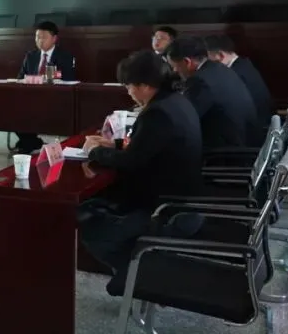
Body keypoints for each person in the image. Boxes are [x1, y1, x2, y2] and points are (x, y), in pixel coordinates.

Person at [79, 50, 204, 295]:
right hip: (183, 198)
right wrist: (112, 144)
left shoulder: (157, 113)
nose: (128, 92)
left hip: (164, 208)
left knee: (91, 227)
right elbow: (149, 147)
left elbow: (131, 161)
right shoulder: (175, 100)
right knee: (98, 204)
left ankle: (140, 273)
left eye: (129, 86)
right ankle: (138, 267)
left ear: (145, 86)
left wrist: (94, 152)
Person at [164, 37, 260, 148]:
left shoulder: (200, 81)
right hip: (246, 142)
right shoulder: (219, 68)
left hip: (225, 151)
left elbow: (183, 120)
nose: (175, 71)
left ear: (187, 62)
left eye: (174, 66)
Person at [13, 22, 77, 154]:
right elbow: (20, 78)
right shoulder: (30, 56)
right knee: (12, 109)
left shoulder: (65, 56)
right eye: (37, 37)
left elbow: (69, 79)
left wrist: (52, 76)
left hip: (54, 99)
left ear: (54, 39)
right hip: (30, 98)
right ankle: (31, 142)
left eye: (44, 37)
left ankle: (28, 143)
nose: (40, 41)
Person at [204, 34, 273, 137]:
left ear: (221, 55)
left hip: (253, 133)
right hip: (260, 127)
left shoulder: (233, 74)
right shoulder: (244, 64)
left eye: (207, 60)